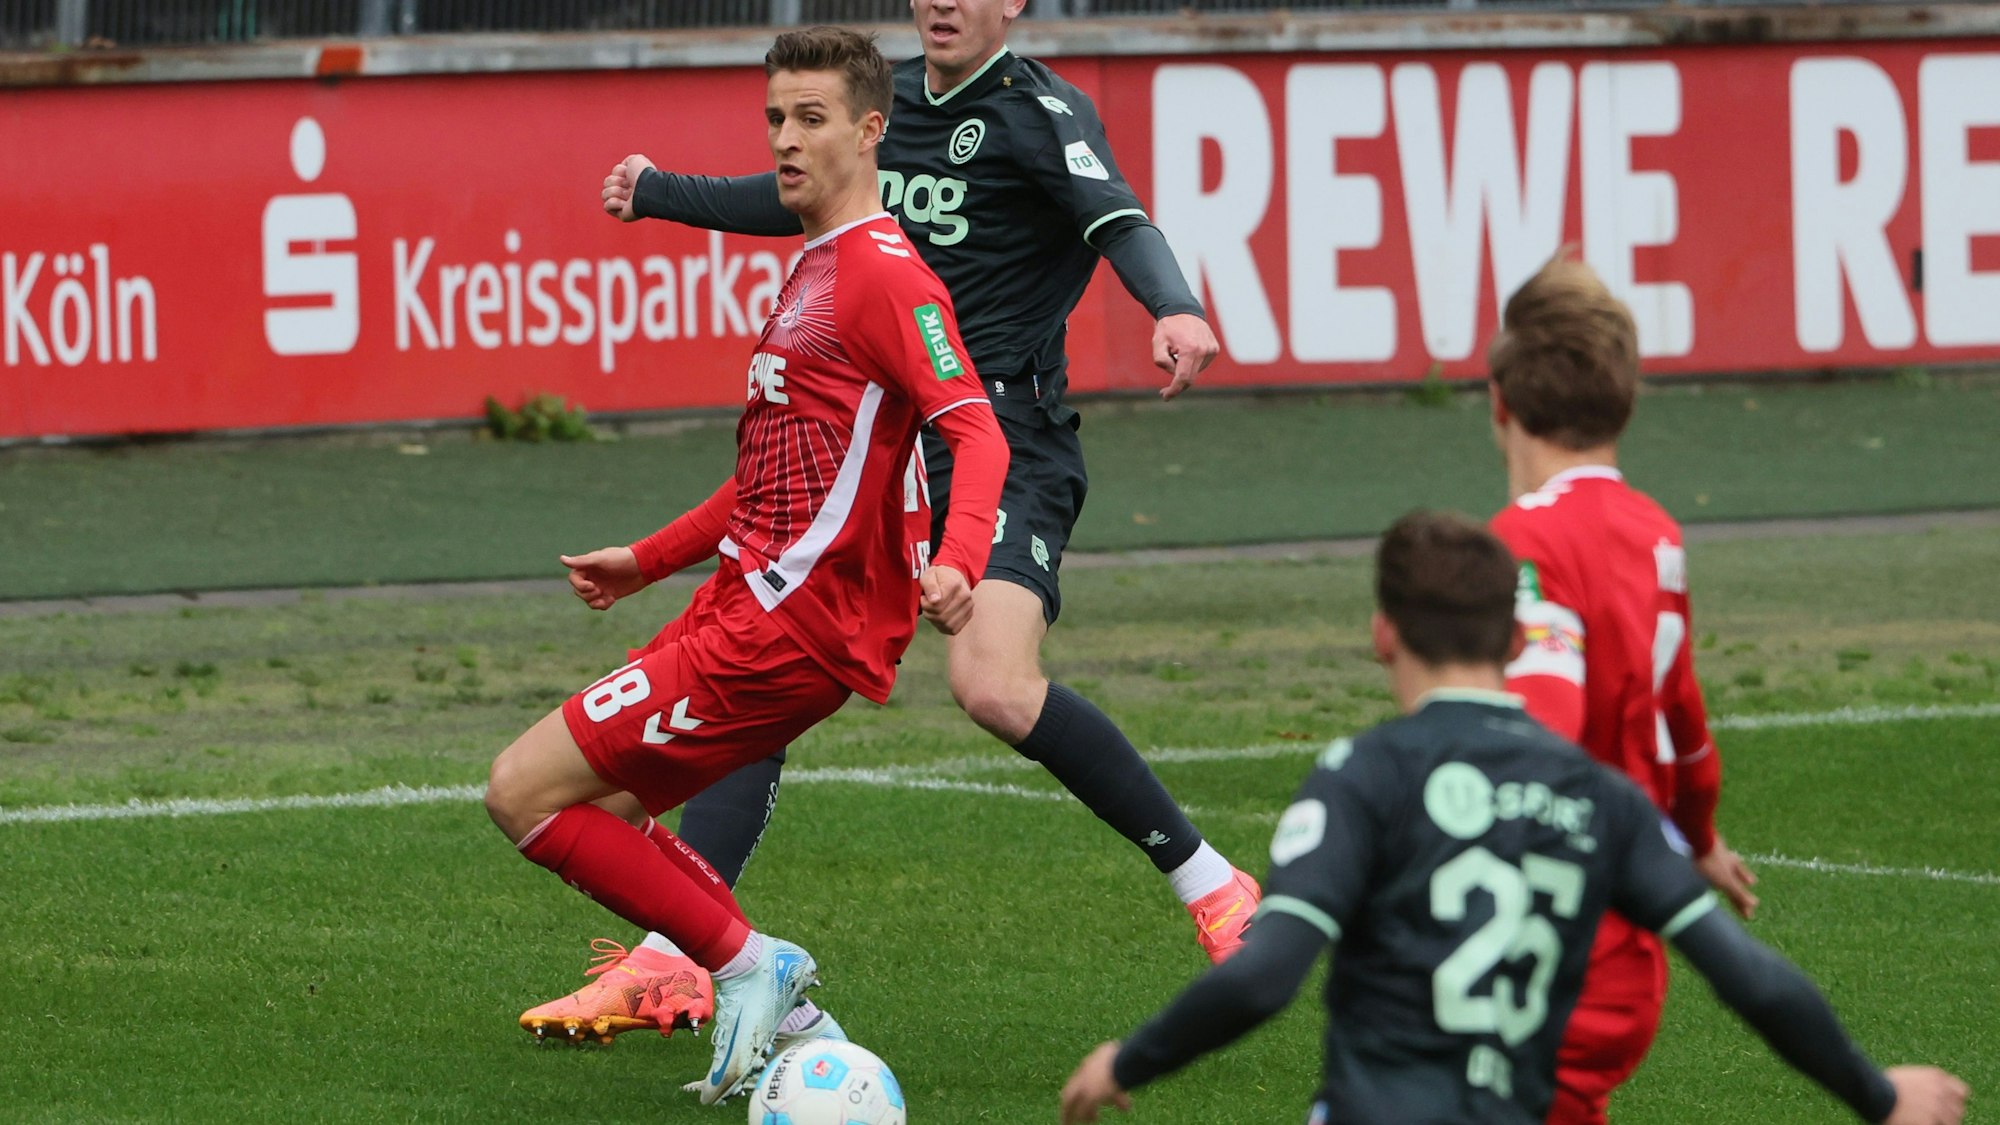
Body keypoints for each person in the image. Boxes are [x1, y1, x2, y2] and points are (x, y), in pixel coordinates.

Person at [529, 0, 1260, 1039]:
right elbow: (784, 193)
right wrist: (662, 193)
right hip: (884, 443)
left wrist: (1171, 303)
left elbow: (1118, 222)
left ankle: (1213, 887)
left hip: (996, 435)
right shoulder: (883, 105)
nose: (942, 2)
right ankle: (678, 960)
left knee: (992, 685)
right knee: (759, 657)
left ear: (1013, 3)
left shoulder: (1040, 112)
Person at [483, 26, 1008, 1104]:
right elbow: (777, 473)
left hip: (790, 624)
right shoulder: (815, 266)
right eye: (774, 117)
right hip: (745, 602)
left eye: (809, 118)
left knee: (523, 794)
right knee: (606, 815)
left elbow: (979, 432)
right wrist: (650, 560)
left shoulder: (882, 277)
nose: (783, 140)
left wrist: (958, 560)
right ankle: (794, 1013)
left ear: (870, 131)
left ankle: (747, 964)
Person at [1058, 510, 1970, 1125]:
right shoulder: (1603, 797)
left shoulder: (1359, 776)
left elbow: (1263, 978)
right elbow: (1751, 979)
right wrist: (1877, 1092)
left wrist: (1128, 1061)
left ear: (1383, 633)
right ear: (1512, 640)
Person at [1483, 255, 1762, 1125]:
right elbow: (1683, 720)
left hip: (1555, 944)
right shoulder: (1656, 533)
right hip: (1628, 944)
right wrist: (1700, 834)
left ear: (1501, 405)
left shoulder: (1523, 541)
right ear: (1627, 403)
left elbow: (1544, 734)